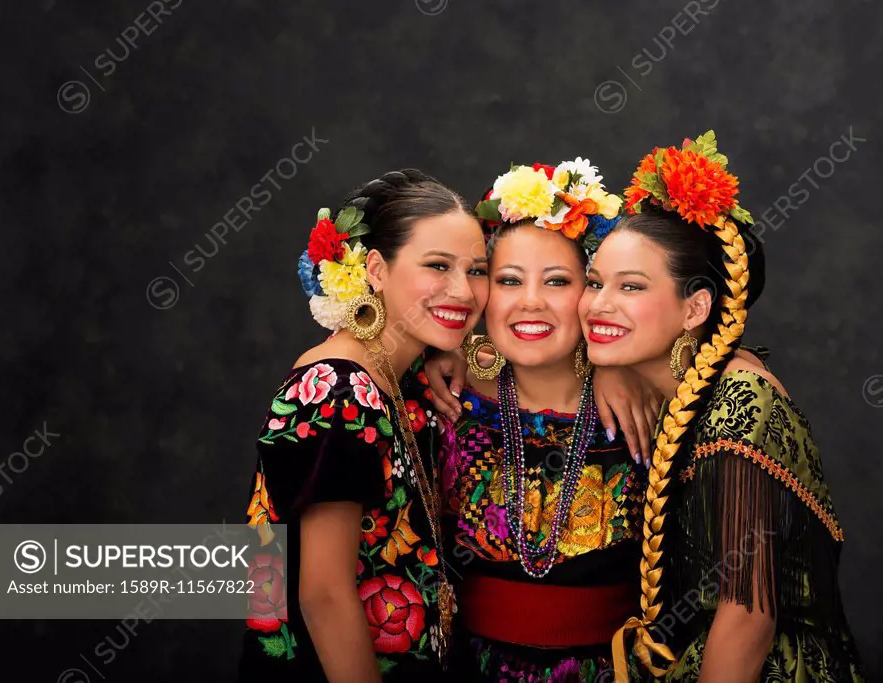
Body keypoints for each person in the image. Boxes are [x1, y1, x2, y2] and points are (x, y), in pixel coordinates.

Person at [582, 135, 865, 682]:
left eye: (631, 286)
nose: (598, 304)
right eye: (595, 282)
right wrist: (604, 368)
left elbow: (747, 615)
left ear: (696, 308)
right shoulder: (684, 380)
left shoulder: (740, 403)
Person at [239, 169, 490, 682]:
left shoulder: (405, 376)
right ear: (375, 268)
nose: (463, 291)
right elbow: (323, 593)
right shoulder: (338, 389)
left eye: (478, 270)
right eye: (437, 266)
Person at [426, 159, 661, 681]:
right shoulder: (446, 399)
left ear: (591, 289)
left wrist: (614, 364)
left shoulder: (641, 407)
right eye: (509, 280)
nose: (530, 302)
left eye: (557, 281)